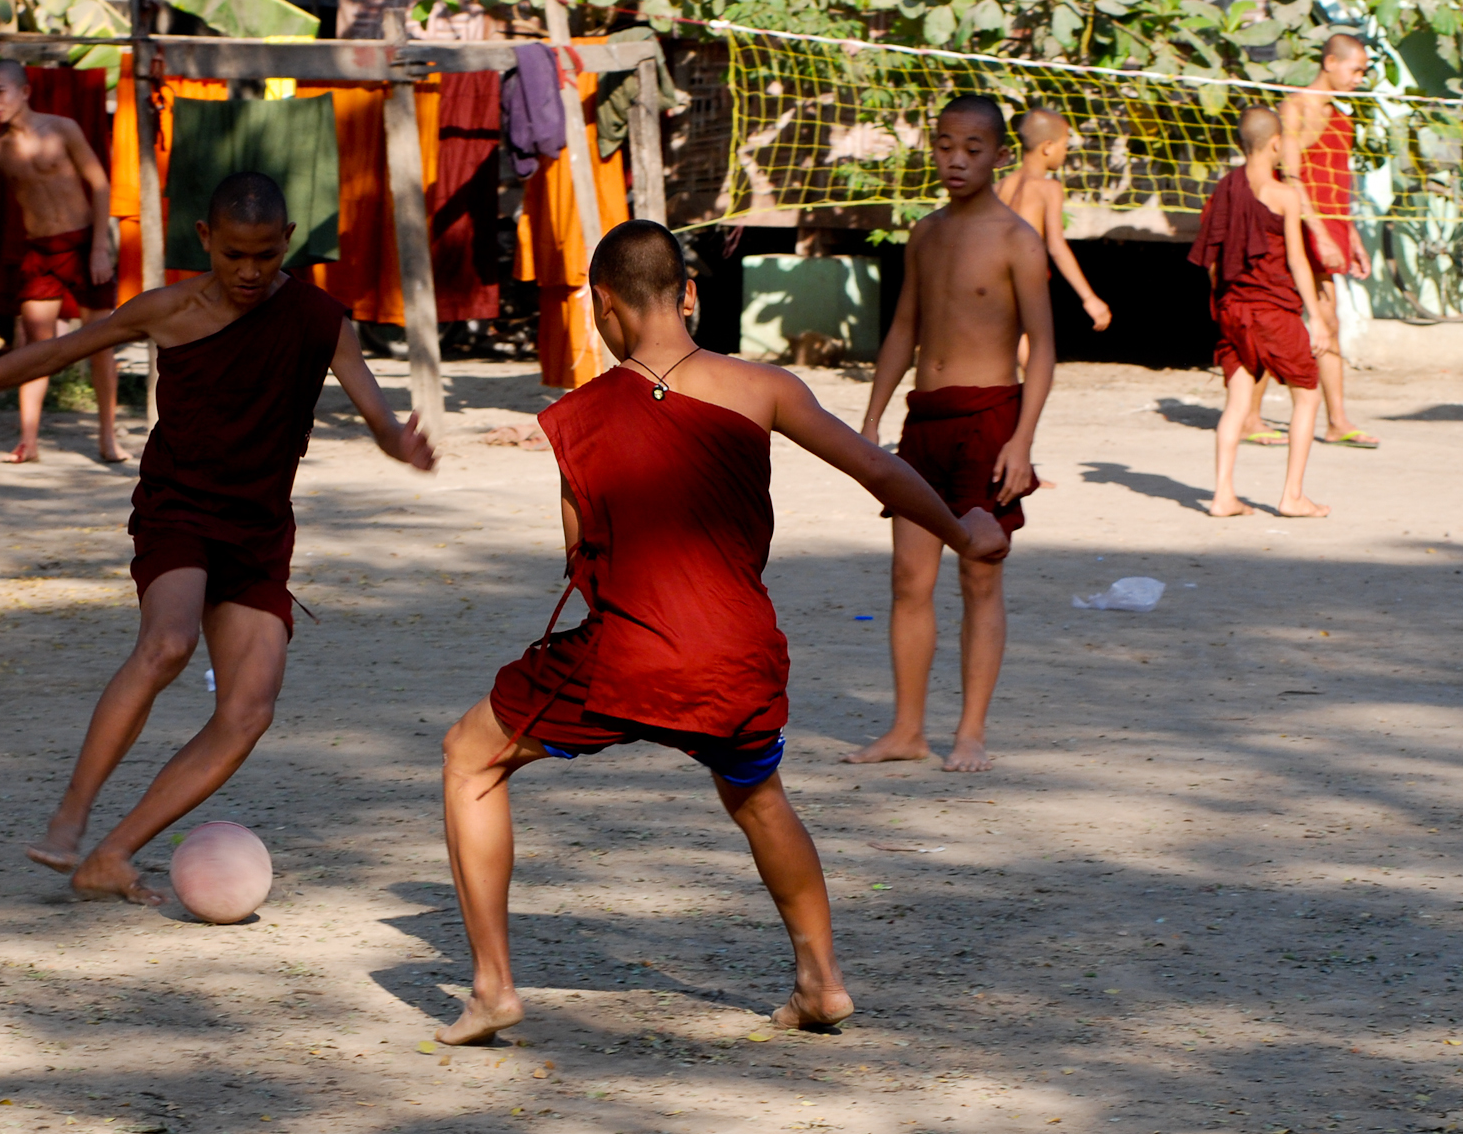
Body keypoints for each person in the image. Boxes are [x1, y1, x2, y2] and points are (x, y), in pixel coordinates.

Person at [435, 220, 1009, 1046]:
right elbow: (875, 467)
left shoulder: (576, 419)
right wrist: (963, 532)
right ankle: (822, 981)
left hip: (626, 657)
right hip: (736, 655)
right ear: (690, 295)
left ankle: (492, 987)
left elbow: (578, 555)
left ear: (603, 306)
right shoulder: (765, 388)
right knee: (757, 796)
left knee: (470, 756)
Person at [0, 172, 434, 903]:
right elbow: (52, 353)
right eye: (234, 253)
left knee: (249, 711)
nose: (248, 271)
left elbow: (375, 411)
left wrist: (398, 440)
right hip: (179, 510)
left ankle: (111, 854)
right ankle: (70, 813)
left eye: (265, 255)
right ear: (204, 240)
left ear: (288, 243)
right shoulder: (169, 310)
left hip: (259, 530)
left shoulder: (319, 318)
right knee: (168, 642)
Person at [846, 95, 1052, 774]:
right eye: (943, 145)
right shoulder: (925, 233)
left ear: (998, 155)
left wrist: (1021, 441)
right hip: (923, 422)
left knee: (979, 574)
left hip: (989, 419)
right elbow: (904, 327)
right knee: (909, 577)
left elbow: (1044, 350)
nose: (955, 160)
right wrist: (875, 418)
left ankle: (970, 732)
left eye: (971, 148)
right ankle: (907, 728)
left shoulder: (1018, 239)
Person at [0, 59, 126, 465]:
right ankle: (28, 440)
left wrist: (99, 246)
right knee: (36, 347)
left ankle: (107, 436)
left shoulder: (62, 128)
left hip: (83, 245)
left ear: (24, 91)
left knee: (101, 342)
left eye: (1, 91)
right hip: (40, 253)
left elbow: (99, 185)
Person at [1194, 107, 1330, 519]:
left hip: (1232, 308)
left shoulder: (1225, 187)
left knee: (1237, 402)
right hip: (1272, 309)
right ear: (1275, 144)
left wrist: (1220, 304)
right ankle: (1292, 496)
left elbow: (1213, 257)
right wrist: (1317, 318)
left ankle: (1223, 495)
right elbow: (1298, 260)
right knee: (1307, 393)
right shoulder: (1284, 194)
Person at [1262, 33, 1379, 449]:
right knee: (1273, 322)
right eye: (1356, 69)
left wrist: (1353, 237)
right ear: (1330, 62)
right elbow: (1292, 178)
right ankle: (1244, 417)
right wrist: (1318, 234)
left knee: (1328, 323)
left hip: (1330, 230)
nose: (1360, 78)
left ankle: (1337, 421)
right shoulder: (1294, 109)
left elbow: (1338, 185)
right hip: (1297, 231)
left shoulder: (1341, 117)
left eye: (1364, 71)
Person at [995, 107, 1112, 348]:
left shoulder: (1000, 186)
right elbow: (1056, 247)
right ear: (1047, 146)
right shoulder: (1048, 188)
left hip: (994, 278)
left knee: (1009, 343)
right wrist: (1089, 298)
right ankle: (1035, 386)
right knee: (1033, 345)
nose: (1066, 152)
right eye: (1065, 145)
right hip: (1026, 279)